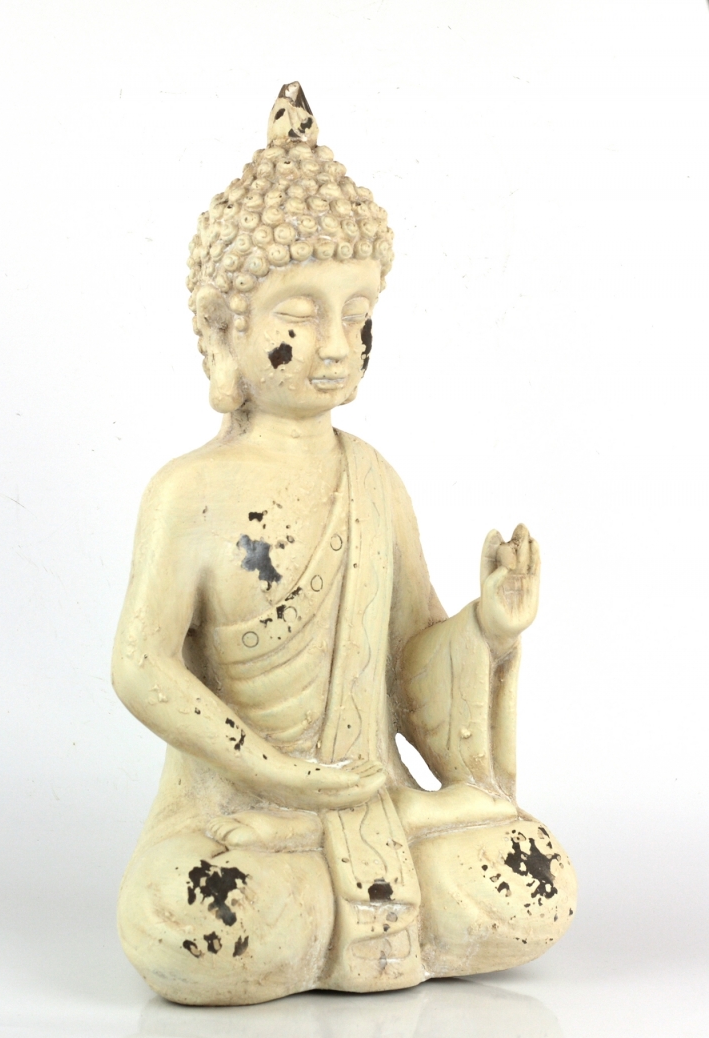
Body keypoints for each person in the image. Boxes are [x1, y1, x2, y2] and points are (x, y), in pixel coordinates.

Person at [111, 83, 576, 1006]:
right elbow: (141, 665)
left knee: (534, 876)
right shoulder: (188, 493)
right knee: (191, 920)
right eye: (299, 316)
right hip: (243, 819)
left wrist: (488, 632)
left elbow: (409, 660)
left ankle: (339, 914)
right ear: (227, 331)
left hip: (374, 806)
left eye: (356, 315)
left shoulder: (373, 479)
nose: (334, 344)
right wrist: (278, 775)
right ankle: (319, 910)